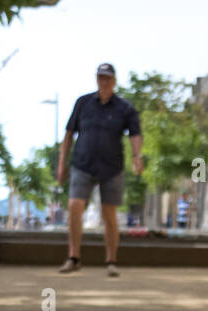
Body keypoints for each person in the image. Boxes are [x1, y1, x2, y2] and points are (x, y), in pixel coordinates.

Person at [56, 63, 143, 277]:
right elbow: (68, 135)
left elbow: (135, 135)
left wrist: (137, 157)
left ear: (114, 81)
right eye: (100, 77)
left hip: (112, 166)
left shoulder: (125, 108)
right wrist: (62, 163)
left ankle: (111, 260)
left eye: (107, 78)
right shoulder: (83, 103)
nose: (103, 81)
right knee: (75, 205)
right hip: (82, 163)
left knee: (108, 212)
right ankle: (73, 257)